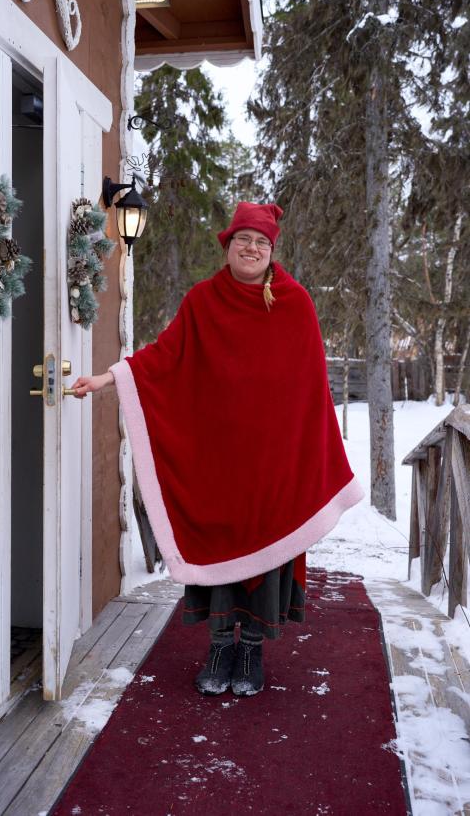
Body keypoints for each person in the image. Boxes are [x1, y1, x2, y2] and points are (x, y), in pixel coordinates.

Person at [71, 202, 364, 697]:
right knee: (217, 547)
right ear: (228, 245)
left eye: (261, 243)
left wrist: (305, 455)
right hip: (218, 459)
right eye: (243, 240)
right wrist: (109, 377)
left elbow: (311, 390)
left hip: (272, 463)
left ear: (272, 252)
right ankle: (219, 646)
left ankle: (251, 647)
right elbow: (165, 357)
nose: (251, 249)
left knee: (266, 549)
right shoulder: (202, 301)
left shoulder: (294, 303)